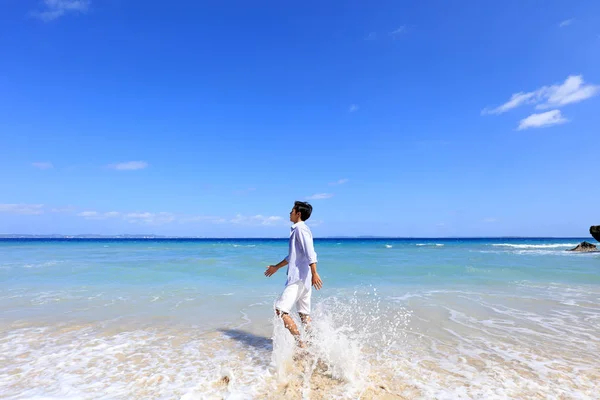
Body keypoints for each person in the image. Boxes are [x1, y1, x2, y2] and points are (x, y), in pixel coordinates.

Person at [264, 201, 323, 346]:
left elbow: (310, 253)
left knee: (280, 310)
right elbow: (293, 257)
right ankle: (313, 345)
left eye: (292, 211)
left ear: (298, 214)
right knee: (304, 315)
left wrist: (315, 273)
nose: (289, 213)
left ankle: (300, 343)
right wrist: (276, 267)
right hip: (305, 278)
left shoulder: (300, 229)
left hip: (298, 279)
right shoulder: (302, 230)